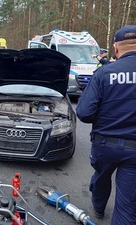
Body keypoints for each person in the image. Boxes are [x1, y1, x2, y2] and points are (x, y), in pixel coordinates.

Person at [76, 25, 136, 224]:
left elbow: (84, 113)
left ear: (116, 49)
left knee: (101, 177)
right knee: (127, 206)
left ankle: (99, 209)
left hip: (105, 145)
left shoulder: (104, 73)